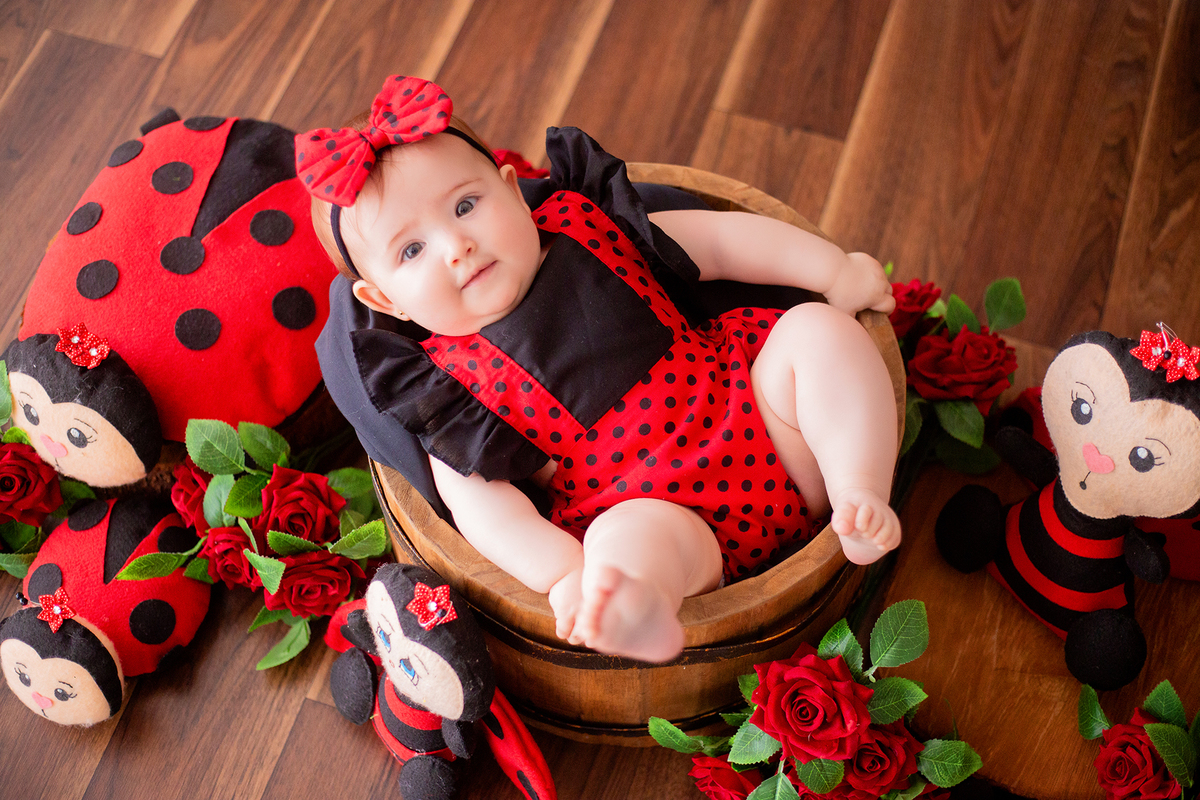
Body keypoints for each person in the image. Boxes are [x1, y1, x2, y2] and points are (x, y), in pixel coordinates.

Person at [297, 76, 900, 663]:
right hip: (671, 520)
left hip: (769, 426)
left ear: (512, 190)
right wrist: (564, 575)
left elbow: (716, 241)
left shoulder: (592, 226)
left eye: (465, 205)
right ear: (386, 303)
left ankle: (858, 491)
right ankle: (639, 606)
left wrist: (830, 271)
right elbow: (482, 507)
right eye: (412, 250)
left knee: (818, 333)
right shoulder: (448, 388)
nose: (456, 245)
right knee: (626, 544)